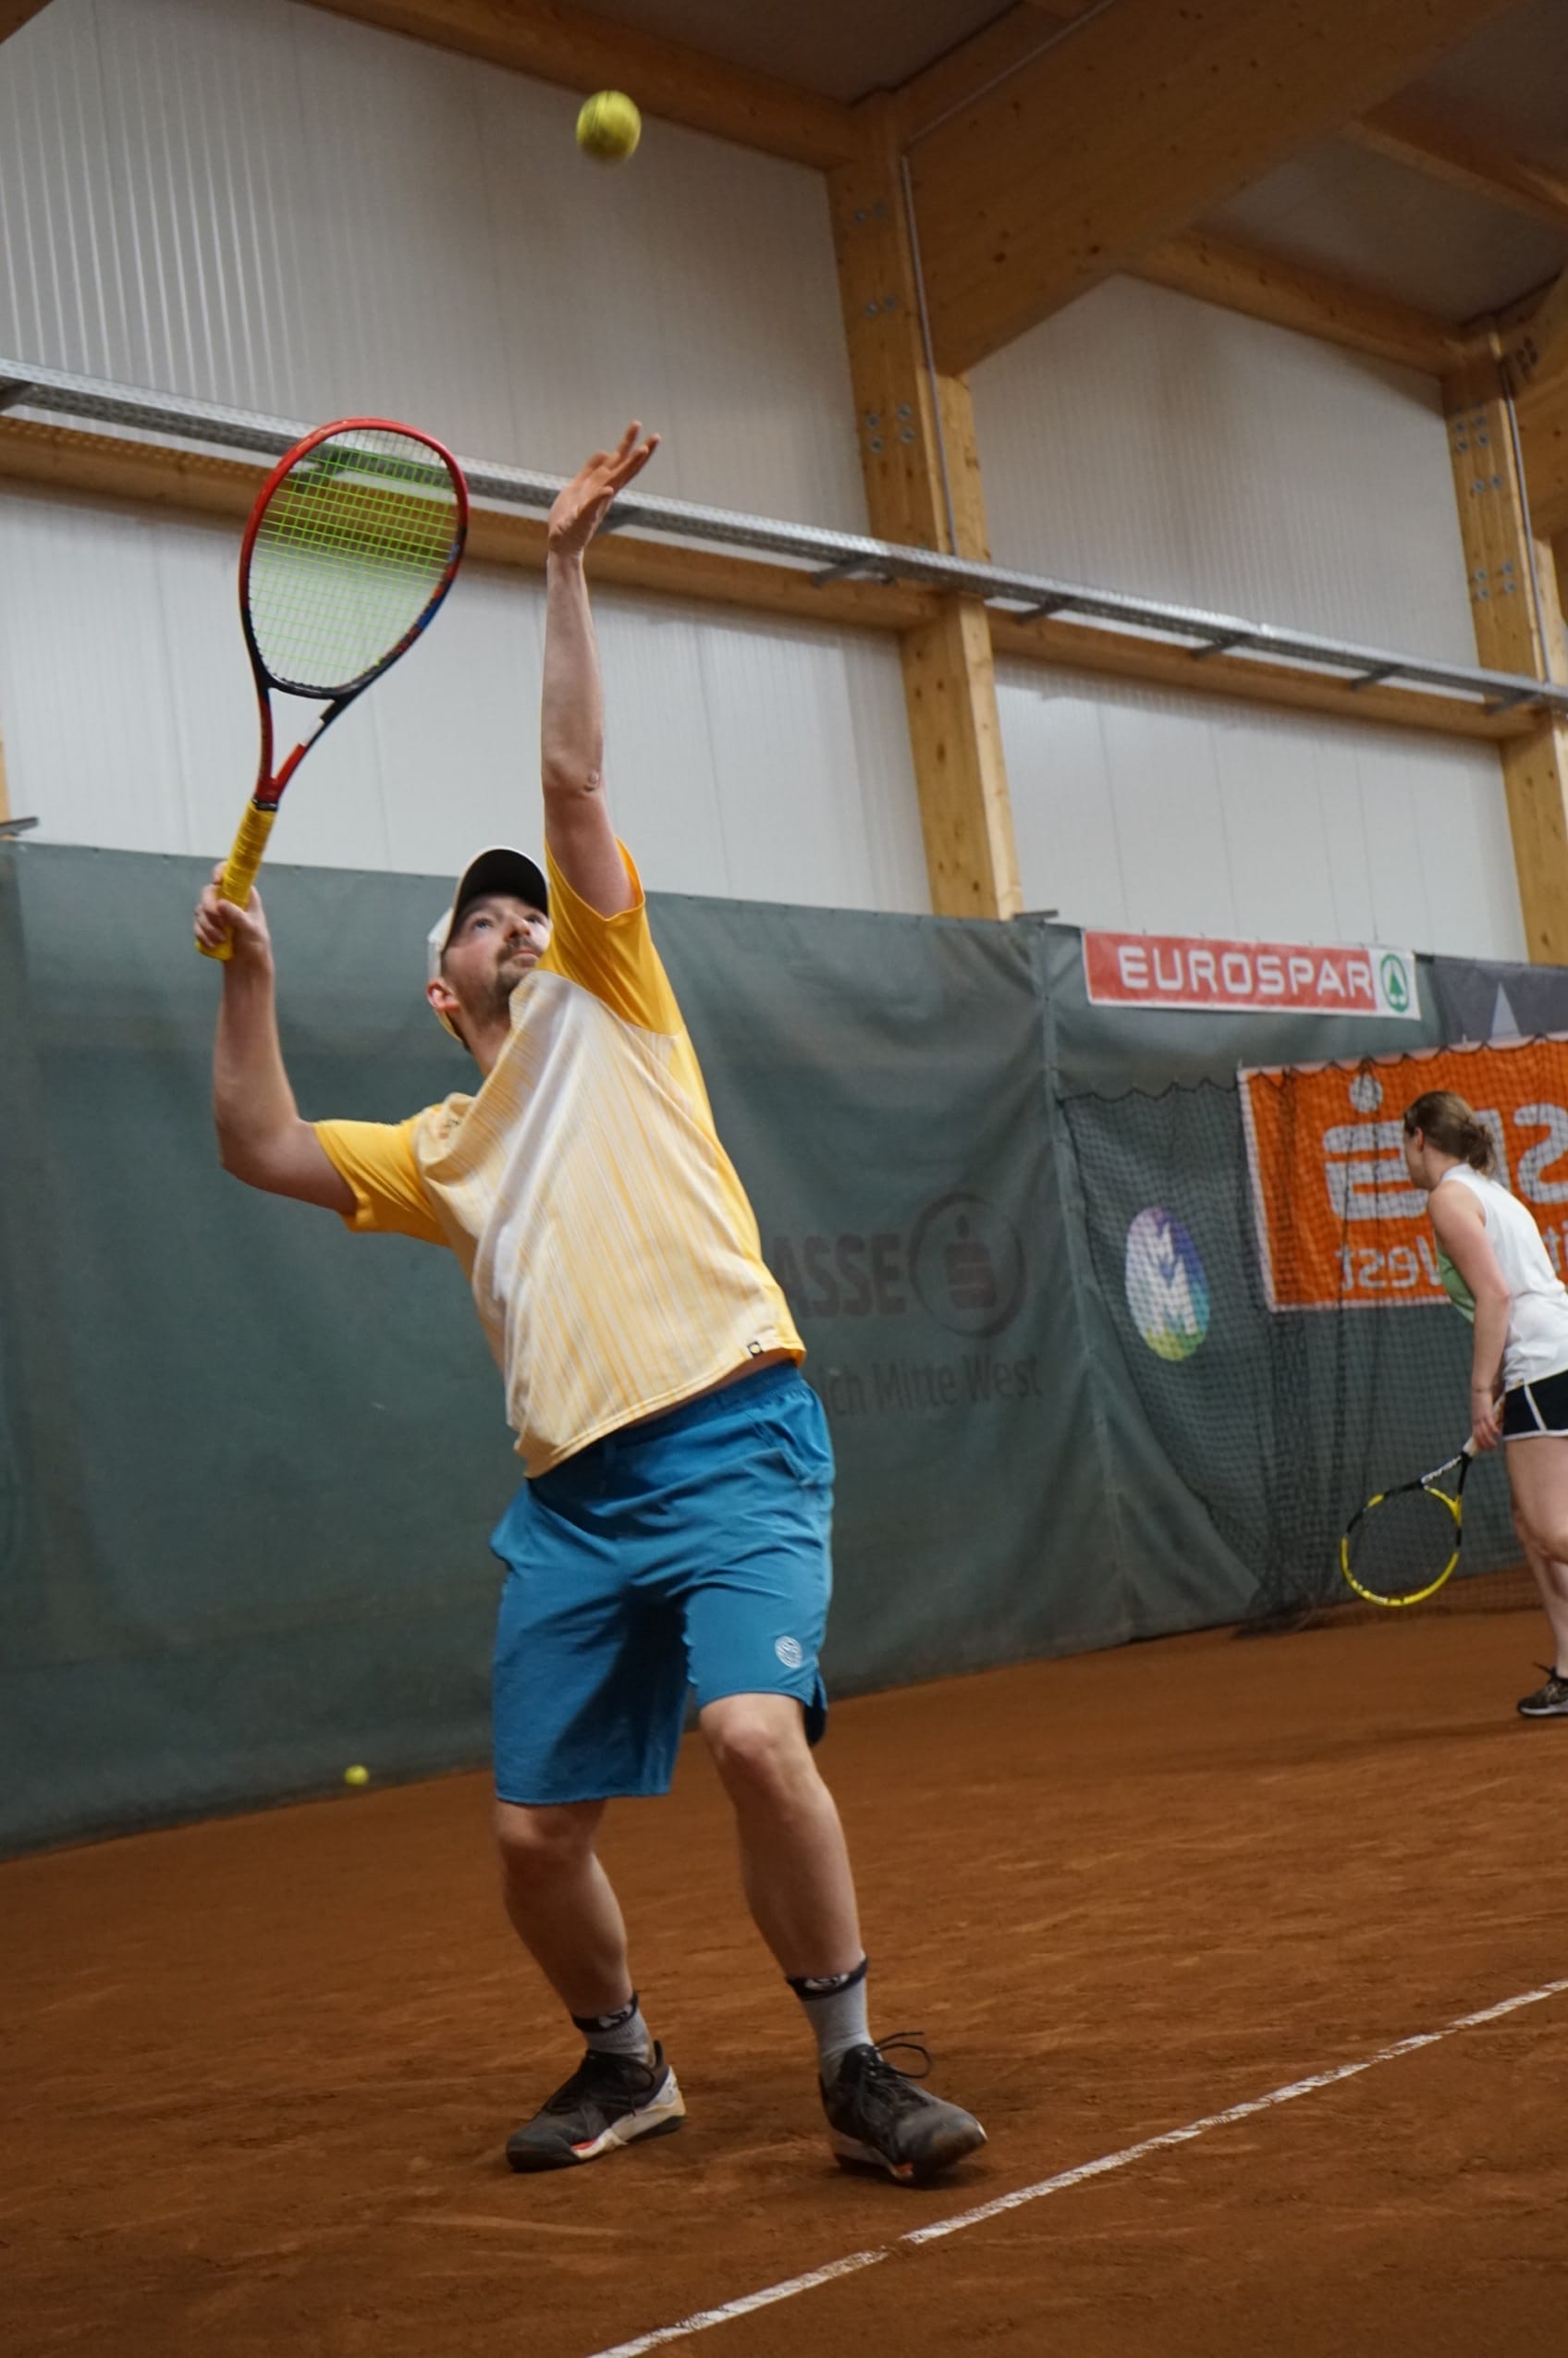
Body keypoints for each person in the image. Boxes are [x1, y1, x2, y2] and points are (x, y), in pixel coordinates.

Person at [194, 423, 986, 2186]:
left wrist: (561, 564)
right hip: (570, 1506)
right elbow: (255, 1141)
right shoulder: (433, 1150)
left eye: (528, 910)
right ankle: (626, 2065)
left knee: (752, 1737)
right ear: (441, 985)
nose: (516, 919)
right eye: (483, 918)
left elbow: (568, 789)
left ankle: (853, 2067)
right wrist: (251, 978)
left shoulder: (617, 1002)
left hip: (736, 1440)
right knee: (531, 1840)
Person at [1403, 1088, 1568, 1717]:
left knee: (1552, 1528)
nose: (1404, 1157)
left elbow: (1496, 1296)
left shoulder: (1448, 1198)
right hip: (1551, 1357)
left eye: (1404, 1144)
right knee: (1532, 1525)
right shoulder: (1490, 1192)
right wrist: (1503, 1389)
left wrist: (1480, 1391)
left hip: (1543, 1362)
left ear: (1420, 1137)